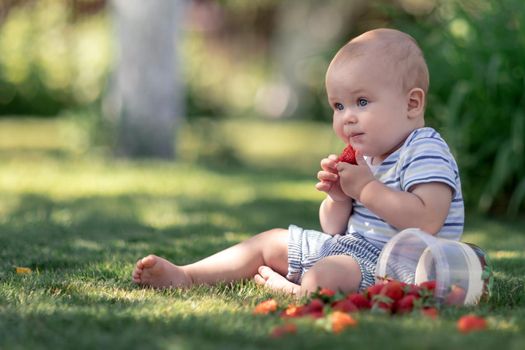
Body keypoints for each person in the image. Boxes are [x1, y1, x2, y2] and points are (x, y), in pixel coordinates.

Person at [132, 28, 464, 296]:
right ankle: (187, 276)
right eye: (338, 106)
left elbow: (427, 220)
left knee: (329, 273)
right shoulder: (366, 156)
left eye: (361, 102)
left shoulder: (424, 149)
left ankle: (296, 292)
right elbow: (333, 229)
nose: (347, 118)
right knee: (270, 240)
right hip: (352, 249)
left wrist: (365, 188)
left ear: (412, 103)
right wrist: (338, 198)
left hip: (403, 267)